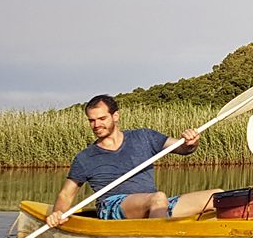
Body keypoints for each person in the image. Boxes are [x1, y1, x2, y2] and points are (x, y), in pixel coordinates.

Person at [46, 94, 221, 227]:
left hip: (154, 206)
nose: (96, 125)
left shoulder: (144, 137)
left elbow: (182, 148)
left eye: (101, 119)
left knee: (218, 197)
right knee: (158, 198)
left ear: (115, 116)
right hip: (112, 207)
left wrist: (191, 142)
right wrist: (57, 213)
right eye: (91, 120)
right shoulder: (85, 157)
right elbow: (66, 194)